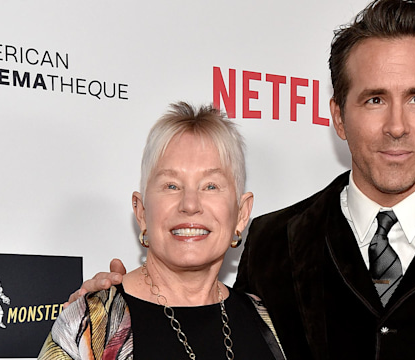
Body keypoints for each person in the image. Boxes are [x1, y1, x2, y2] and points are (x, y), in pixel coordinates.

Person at [70, 1, 415, 359]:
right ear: (339, 116)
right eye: (373, 99)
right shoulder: (273, 241)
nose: (396, 125)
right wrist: (112, 311)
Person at [40, 103, 286, 359]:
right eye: (171, 185)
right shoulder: (90, 325)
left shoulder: (264, 319)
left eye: (211, 186)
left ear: (242, 214)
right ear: (142, 212)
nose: (190, 204)